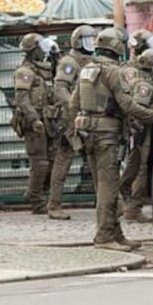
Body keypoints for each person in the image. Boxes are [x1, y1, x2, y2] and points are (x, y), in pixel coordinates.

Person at [69, 28, 153, 252]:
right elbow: (129, 106)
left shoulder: (88, 69)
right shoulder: (113, 71)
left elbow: (74, 103)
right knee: (108, 187)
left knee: (102, 185)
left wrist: (73, 129)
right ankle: (104, 237)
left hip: (88, 132)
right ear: (116, 46)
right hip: (105, 134)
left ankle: (116, 234)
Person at [47, 25, 98, 220]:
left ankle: (108, 202)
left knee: (98, 159)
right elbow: (60, 87)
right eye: (88, 39)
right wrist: (74, 106)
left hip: (89, 117)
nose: (91, 42)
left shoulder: (91, 60)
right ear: (78, 41)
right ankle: (54, 205)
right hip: (71, 118)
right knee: (64, 160)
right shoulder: (70, 62)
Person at [119, 29, 153, 224]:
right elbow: (138, 107)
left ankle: (121, 199)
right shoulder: (140, 79)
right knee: (140, 167)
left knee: (134, 164)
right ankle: (133, 207)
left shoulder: (138, 73)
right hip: (141, 128)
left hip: (137, 128)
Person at [12, 33, 59, 215]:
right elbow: (22, 99)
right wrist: (33, 119)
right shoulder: (25, 72)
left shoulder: (43, 70)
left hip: (47, 122)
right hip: (35, 123)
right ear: (33, 50)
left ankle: (37, 193)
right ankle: (35, 200)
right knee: (39, 163)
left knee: (52, 161)